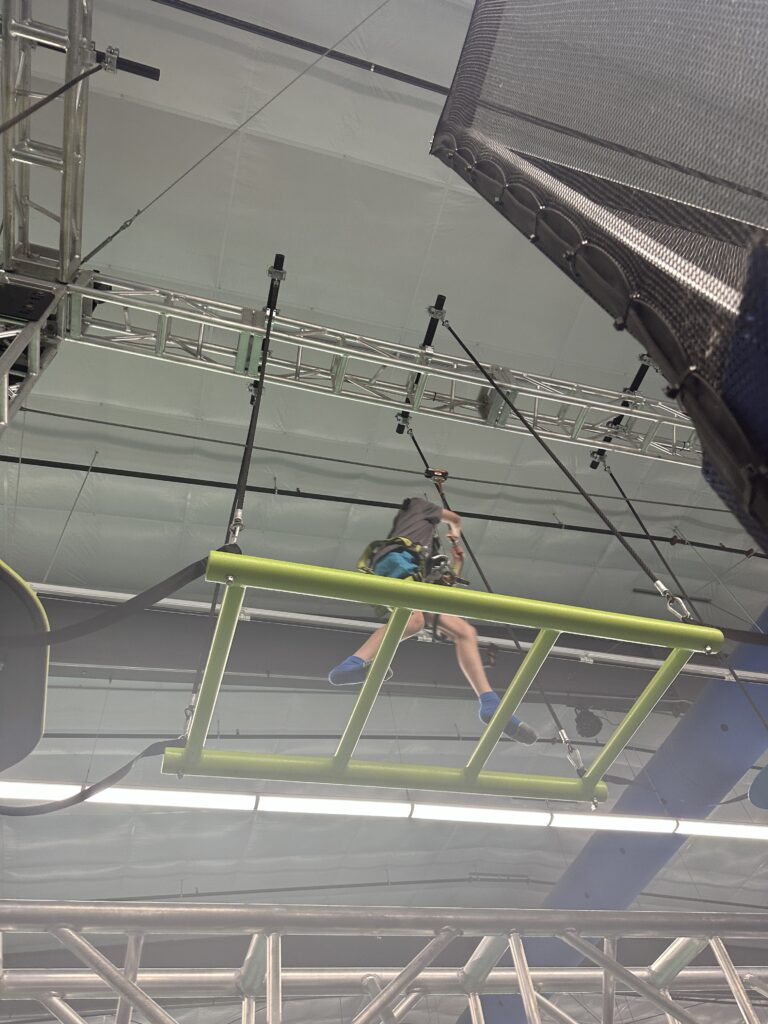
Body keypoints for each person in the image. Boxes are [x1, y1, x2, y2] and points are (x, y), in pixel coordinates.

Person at [328, 496, 537, 744]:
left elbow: (441, 592)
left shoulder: (427, 550)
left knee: (464, 632)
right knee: (414, 621)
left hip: (413, 576)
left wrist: (457, 564)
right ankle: (350, 664)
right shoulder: (419, 506)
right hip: (395, 560)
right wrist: (455, 532)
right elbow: (454, 518)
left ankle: (489, 702)